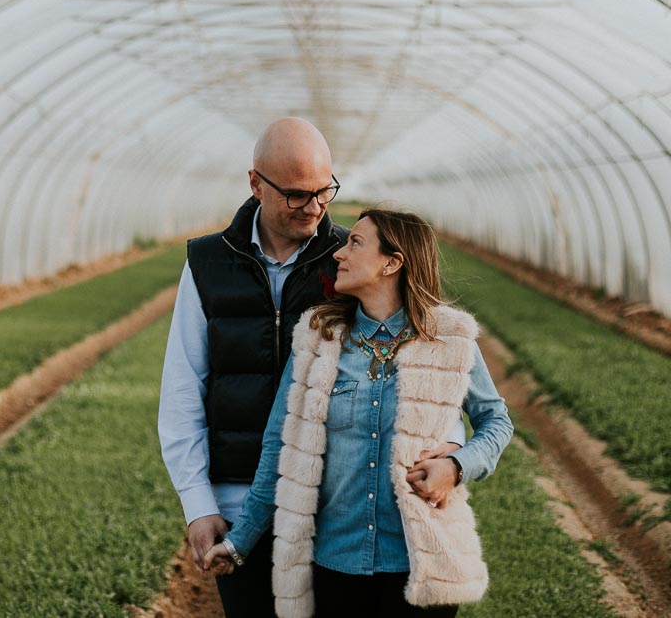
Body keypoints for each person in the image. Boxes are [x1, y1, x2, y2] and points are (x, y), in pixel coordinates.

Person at [158, 121, 466, 618]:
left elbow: (420, 355)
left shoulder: (352, 260)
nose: (315, 207)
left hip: (333, 504)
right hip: (240, 500)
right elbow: (182, 388)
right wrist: (199, 503)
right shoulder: (207, 263)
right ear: (256, 184)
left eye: (325, 191)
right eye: (298, 195)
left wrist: (448, 450)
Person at [204, 209, 515, 618]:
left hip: (423, 565)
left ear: (392, 263)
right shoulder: (319, 339)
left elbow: (497, 421)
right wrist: (239, 541)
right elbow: (279, 445)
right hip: (336, 565)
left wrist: (457, 466)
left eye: (356, 243)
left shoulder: (450, 340)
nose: (338, 253)